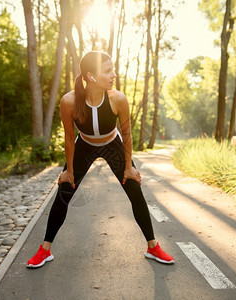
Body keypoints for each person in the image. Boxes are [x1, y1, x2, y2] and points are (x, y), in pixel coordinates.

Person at [26, 51, 174, 268]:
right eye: (107, 71)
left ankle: (152, 247)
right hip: (84, 145)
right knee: (64, 192)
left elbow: (127, 134)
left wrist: (128, 167)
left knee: (134, 188)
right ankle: (44, 250)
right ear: (91, 76)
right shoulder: (69, 101)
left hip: (111, 144)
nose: (113, 74)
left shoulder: (118, 99)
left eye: (113, 69)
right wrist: (67, 171)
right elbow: (69, 137)